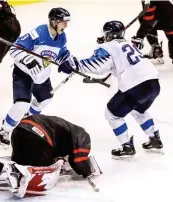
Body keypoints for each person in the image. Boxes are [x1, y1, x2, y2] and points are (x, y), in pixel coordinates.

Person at [58, 20, 164, 160]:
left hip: (135, 85)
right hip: (154, 83)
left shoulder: (108, 46)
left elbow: (99, 65)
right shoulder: (129, 44)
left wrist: (75, 64)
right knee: (139, 110)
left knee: (112, 113)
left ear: (108, 34)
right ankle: (155, 139)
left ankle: (127, 147)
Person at [0, 114, 101, 197]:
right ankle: (20, 172)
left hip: (19, 132)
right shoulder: (83, 135)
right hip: (37, 136)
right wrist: (87, 171)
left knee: (22, 161)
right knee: (43, 167)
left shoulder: (67, 130)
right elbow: (79, 161)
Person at [0, 7, 71, 144]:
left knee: (45, 100)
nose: (66, 25)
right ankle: (5, 130)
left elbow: (62, 55)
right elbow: (14, 48)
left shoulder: (62, 37)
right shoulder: (38, 33)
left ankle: (28, 117)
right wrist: (27, 60)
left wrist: (68, 63)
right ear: (54, 21)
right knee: (21, 104)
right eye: (63, 22)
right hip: (23, 74)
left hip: (41, 75)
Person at [131, 0, 173, 64]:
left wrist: (139, 37)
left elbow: (148, 21)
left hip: (169, 22)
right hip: (163, 19)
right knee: (143, 18)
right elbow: (147, 17)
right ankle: (157, 51)